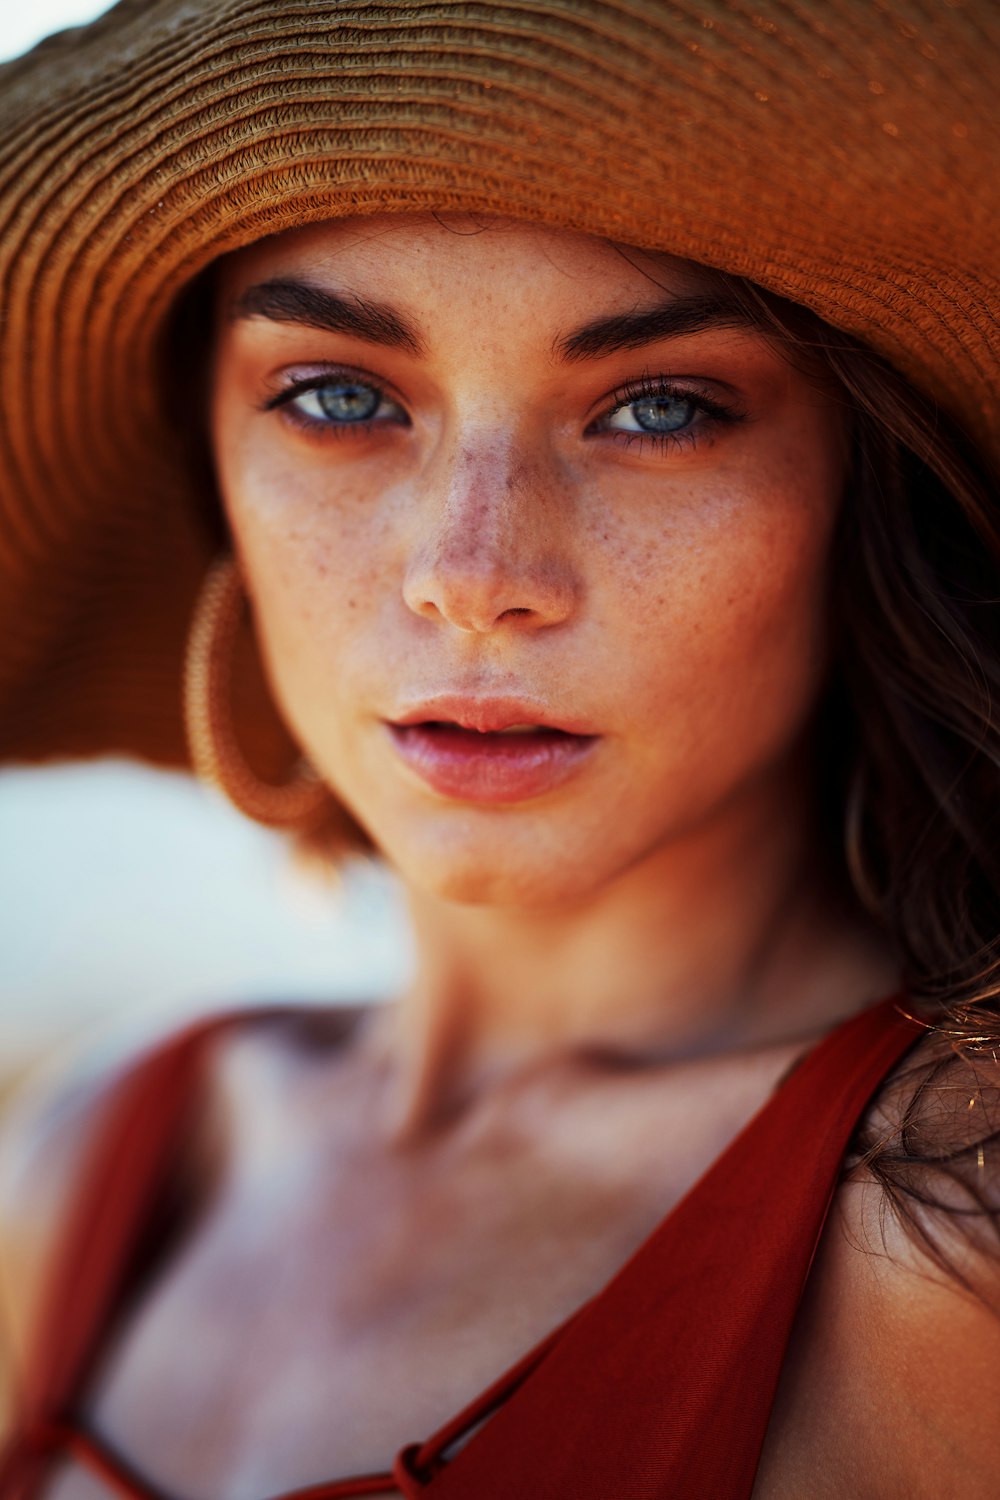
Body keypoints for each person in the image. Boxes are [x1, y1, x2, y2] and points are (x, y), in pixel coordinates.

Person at [0, 1, 998, 1496]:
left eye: (660, 409)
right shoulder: (104, 1157)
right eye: (337, 396)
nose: (472, 573)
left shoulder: (950, 1244)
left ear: (863, 487)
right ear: (210, 470)